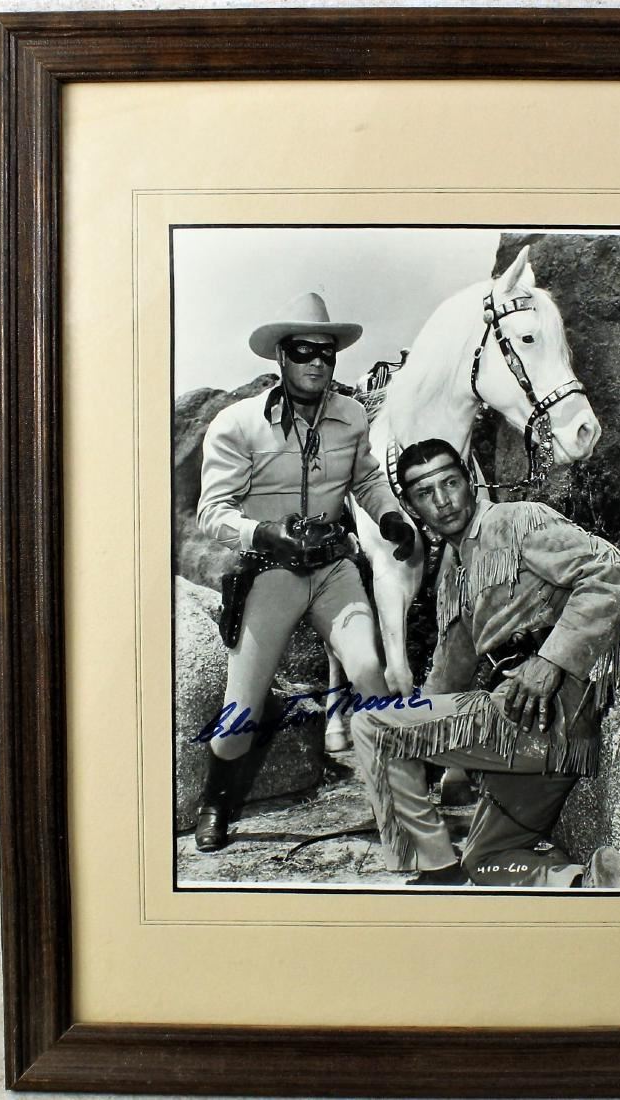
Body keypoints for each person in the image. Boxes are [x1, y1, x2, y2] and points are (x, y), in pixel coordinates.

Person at [350, 438, 620, 887]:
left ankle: (435, 868)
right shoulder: (453, 574)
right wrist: (410, 730)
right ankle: (583, 884)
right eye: (425, 492)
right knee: (485, 862)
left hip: (553, 713)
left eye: (450, 483)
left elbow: (613, 572)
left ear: (471, 482)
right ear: (410, 507)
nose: (442, 501)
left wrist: (551, 659)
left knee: (371, 727)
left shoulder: (517, 521)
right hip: (528, 736)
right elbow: (447, 676)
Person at [193, 291, 415, 852]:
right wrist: (265, 533)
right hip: (270, 570)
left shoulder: (353, 415)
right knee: (240, 712)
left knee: (370, 671)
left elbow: (367, 479)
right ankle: (216, 802)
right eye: (303, 351)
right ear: (281, 356)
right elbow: (212, 512)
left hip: (333, 568)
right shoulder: (237, 423)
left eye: (326, 352)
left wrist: (390, 516)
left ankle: (399, 799)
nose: (317, 362)